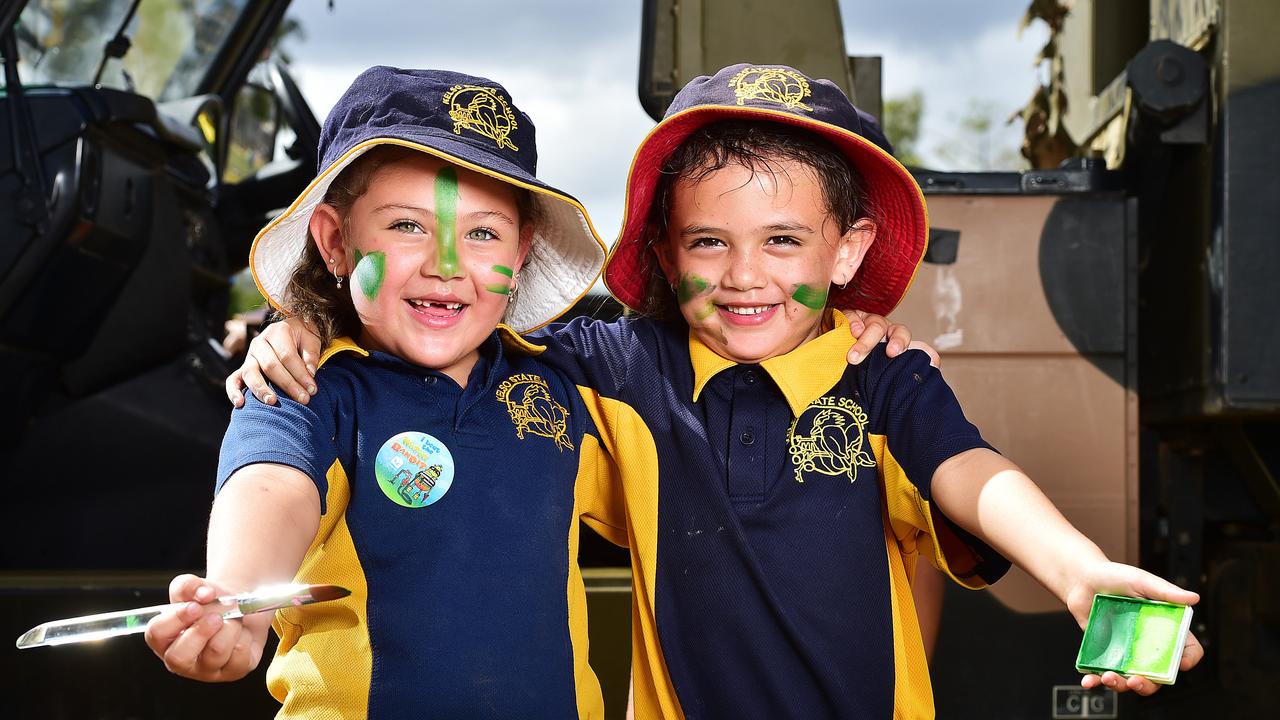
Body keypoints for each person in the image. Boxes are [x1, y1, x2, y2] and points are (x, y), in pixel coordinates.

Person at [232, 64, 1202, 719]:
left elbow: (969, 473)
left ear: (848, 248)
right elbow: (447, 323)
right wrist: (296, 325)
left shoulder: (879, 375)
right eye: (708, 243)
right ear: (662, 250)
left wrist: (1077, 571)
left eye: (783, 242)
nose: (745, 278)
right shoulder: (622, 369)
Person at [144, 66, 623, 718]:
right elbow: (272, 488)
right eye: (407, 226)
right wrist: (235, 602)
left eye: (482, 233)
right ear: (336, 244)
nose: (446, 263)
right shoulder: (301, 390)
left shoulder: (564, 390)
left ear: (523, 251)